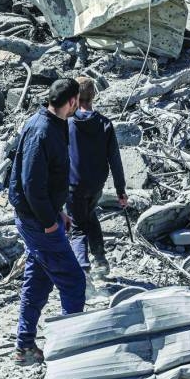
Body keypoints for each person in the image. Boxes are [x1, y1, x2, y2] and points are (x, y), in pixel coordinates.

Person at [7, 78, 86, 367]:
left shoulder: (52, 125)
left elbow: (47, 181)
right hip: (36, 221)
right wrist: (49, 223)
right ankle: (70, 352)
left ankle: (24, 347)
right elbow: (31, 184)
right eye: (77, 101)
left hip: (42, 217)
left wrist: (58, 212)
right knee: (74, 281)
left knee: (38, 281)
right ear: (71, 102)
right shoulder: (42, 131)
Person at [66, 77, 128, 279]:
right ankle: (100, 260)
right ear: (94, 96)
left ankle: (83, 270)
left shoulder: (67, 123)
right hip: (96, 185)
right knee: (90, 215)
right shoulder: (105, 124)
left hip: (73, 185)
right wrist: (121, 191)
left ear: (75, 97)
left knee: (77, 227)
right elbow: (115, 161)